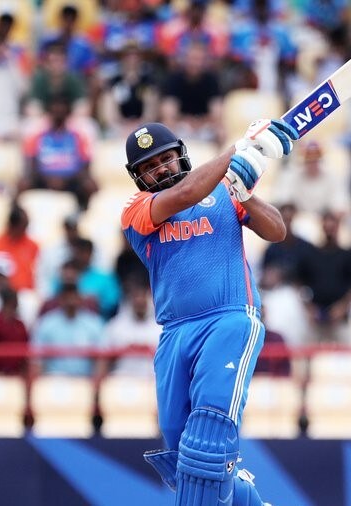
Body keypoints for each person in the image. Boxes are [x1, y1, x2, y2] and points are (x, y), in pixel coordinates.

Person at [120, 119, 297, 504]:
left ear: (181, 155)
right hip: (174, 334)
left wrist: (245, 194)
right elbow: (185, 194)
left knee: (208, 438)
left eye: (165, 159)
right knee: (184, 455)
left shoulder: (224, 191)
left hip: (228, 319)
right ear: (138, 177)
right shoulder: (136, 210)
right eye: (149, 167)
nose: (160, 169)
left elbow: (277, 231)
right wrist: (238, 149)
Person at [297, 211, 351, 344]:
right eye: (326, 225)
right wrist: (309, 307)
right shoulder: (310, 255)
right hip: (315, 316)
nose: (329, 229)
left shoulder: (347, 256)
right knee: (306, 351)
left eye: (333, 225)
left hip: (340, 318)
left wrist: (342, 307)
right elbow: (299, 283)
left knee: (347, 353)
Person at [32, 283, 104, 377]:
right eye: (67, 298)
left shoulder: (94, 323)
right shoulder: (46, 323)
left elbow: (102, 358)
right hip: (54, 380)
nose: (71, 302)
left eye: (74, 298)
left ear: (79, 299)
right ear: (60, 300)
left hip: (85, 380)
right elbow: (36, 359)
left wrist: (96, 382)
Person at [104, 281, 162, 375]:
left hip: (152, 379)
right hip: (121, 378)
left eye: (143, 296)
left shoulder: (161, 327)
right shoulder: (115, 326)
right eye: (136, 296)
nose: (139, 301)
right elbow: (104, 357)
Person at [0, 206, 40, 292]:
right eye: (23, 227)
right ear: (12, 226)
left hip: (25, 294)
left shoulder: (33, 246)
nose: (25, 231)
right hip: (0, 294)